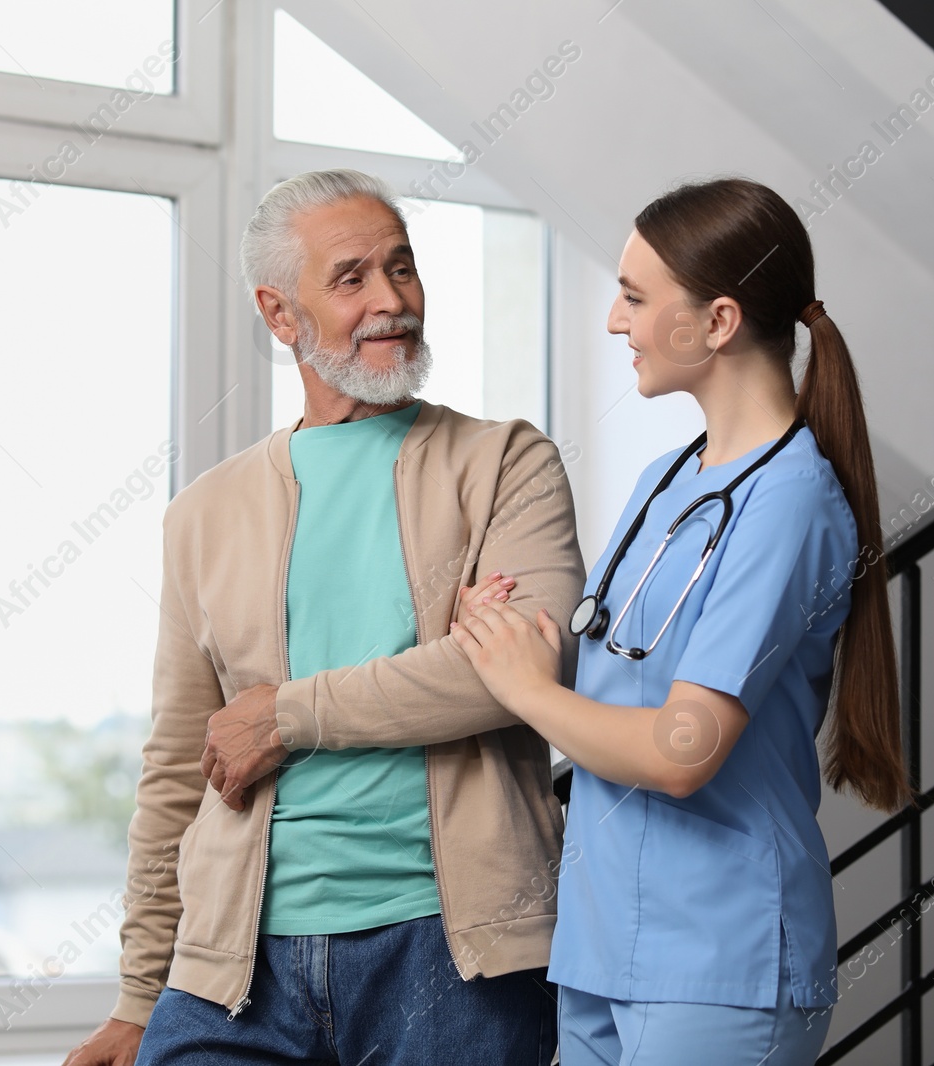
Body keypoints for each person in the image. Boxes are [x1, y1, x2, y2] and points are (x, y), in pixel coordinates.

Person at [61, 169, 585, 1066]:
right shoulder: (205, 513)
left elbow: (520, 670)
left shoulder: (504, 463)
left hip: (454, 959)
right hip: (234, 974)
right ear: (279, 314)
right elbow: (180, 762)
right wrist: (142, 993)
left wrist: (283, 715)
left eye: (404, 269)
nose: (391, 301)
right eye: (352, 278)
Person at [449, 177, 913, 1065]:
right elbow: (620, 677)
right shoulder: (668, 478)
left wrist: (526, 693)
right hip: (600, 943)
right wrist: (510, 638)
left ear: (719, 322)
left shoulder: (790, 503)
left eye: (634, 297)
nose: (615, 323)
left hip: (718, 957)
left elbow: (680, 750)